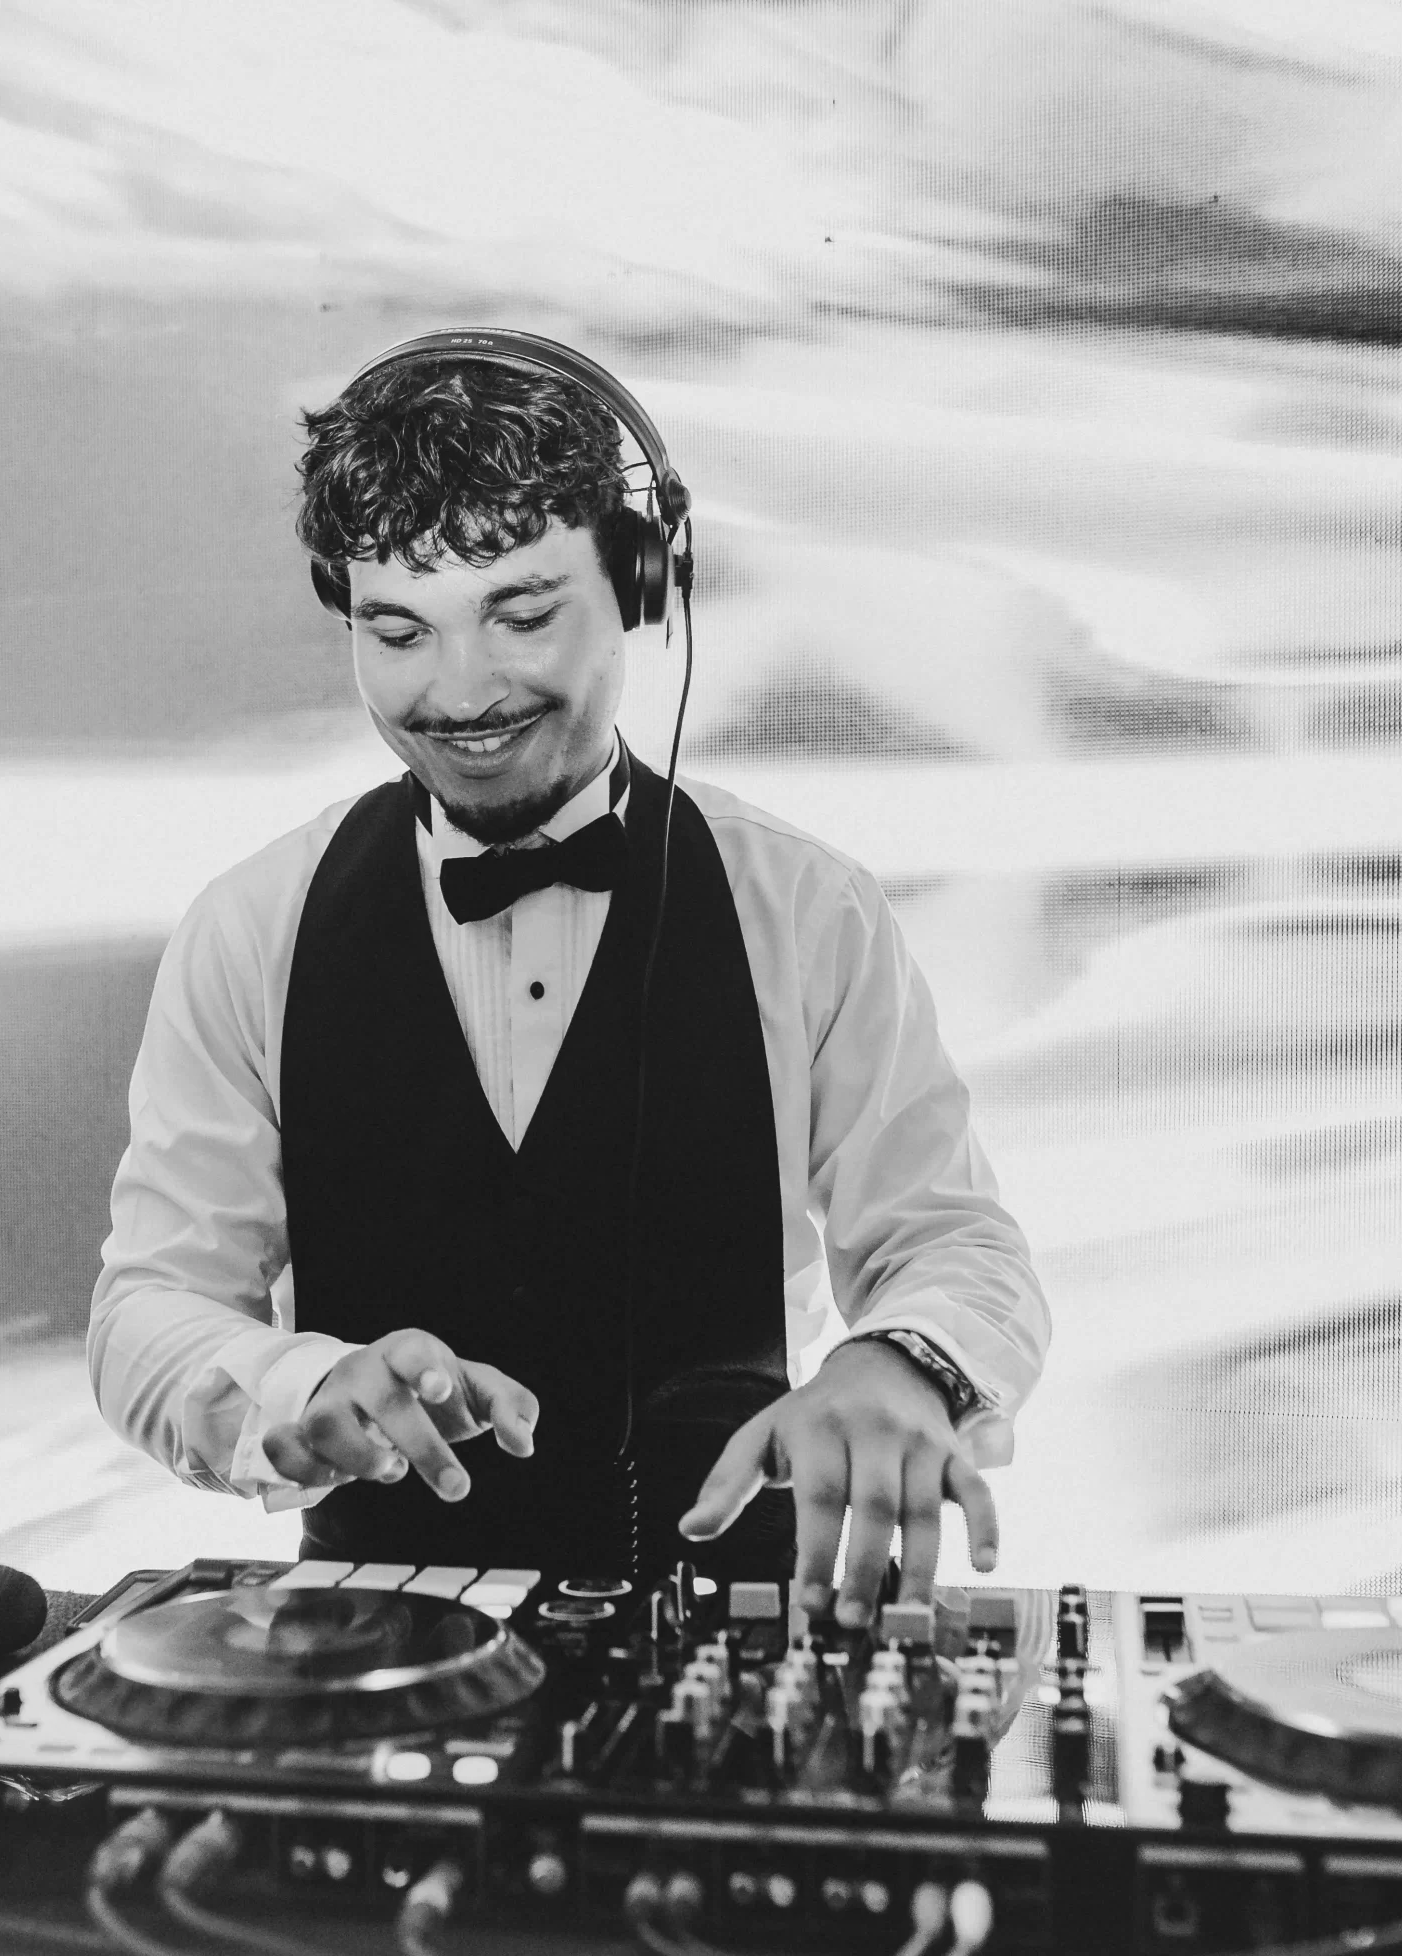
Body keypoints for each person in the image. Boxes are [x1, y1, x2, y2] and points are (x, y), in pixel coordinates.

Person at [88, 334, 1049, 1625]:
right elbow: (149, 1306)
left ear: (641, 586)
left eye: (523, 616)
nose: (460, 693)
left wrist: (903, 1361)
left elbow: (951, 1241)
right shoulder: (250, 925)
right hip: (368, 1651)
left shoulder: (807, 907)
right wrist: (297, 1386)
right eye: (397, 631)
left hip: (737, 1626)